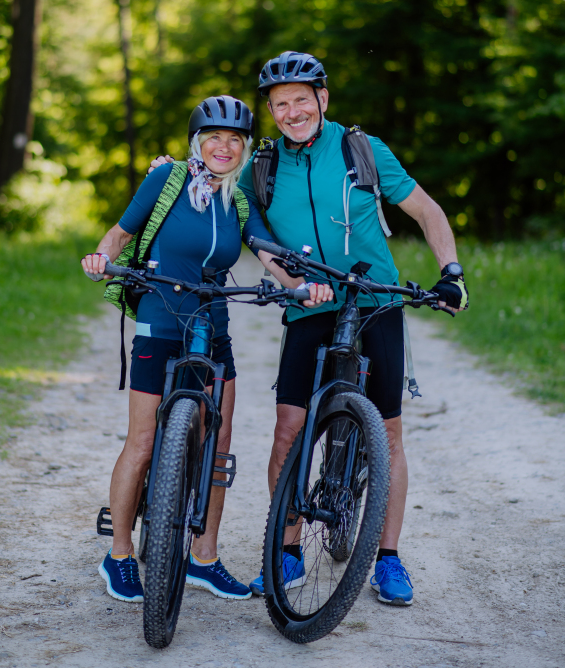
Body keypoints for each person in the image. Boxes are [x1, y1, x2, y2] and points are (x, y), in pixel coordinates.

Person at [151, 53, 469, 607]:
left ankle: (388, 559)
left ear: (323, 98)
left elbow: (427, 210)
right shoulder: (264, 166)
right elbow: (217, 180)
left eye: (302, 98)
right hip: (308, 304)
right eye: (280, 104)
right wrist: (171, 171)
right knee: (288, 430)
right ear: (271, 112)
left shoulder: (362, 152)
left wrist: (451, 274)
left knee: (389, 433)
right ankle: (290, 547)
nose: (292, 111)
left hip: (375, 301)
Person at [82, 94, 333, 605]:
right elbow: (121, 230)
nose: (224, 146)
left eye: (234, 139)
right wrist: (101, 256)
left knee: (218, 444)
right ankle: (121, 555)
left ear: (243, 149)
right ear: (198, 142)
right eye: (214, 136)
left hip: (213, 326)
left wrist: (300, 285)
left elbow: (265, 250)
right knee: (144, 440)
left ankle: (204, 558)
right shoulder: (167, 179)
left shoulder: (239, 201)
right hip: (160, 318)